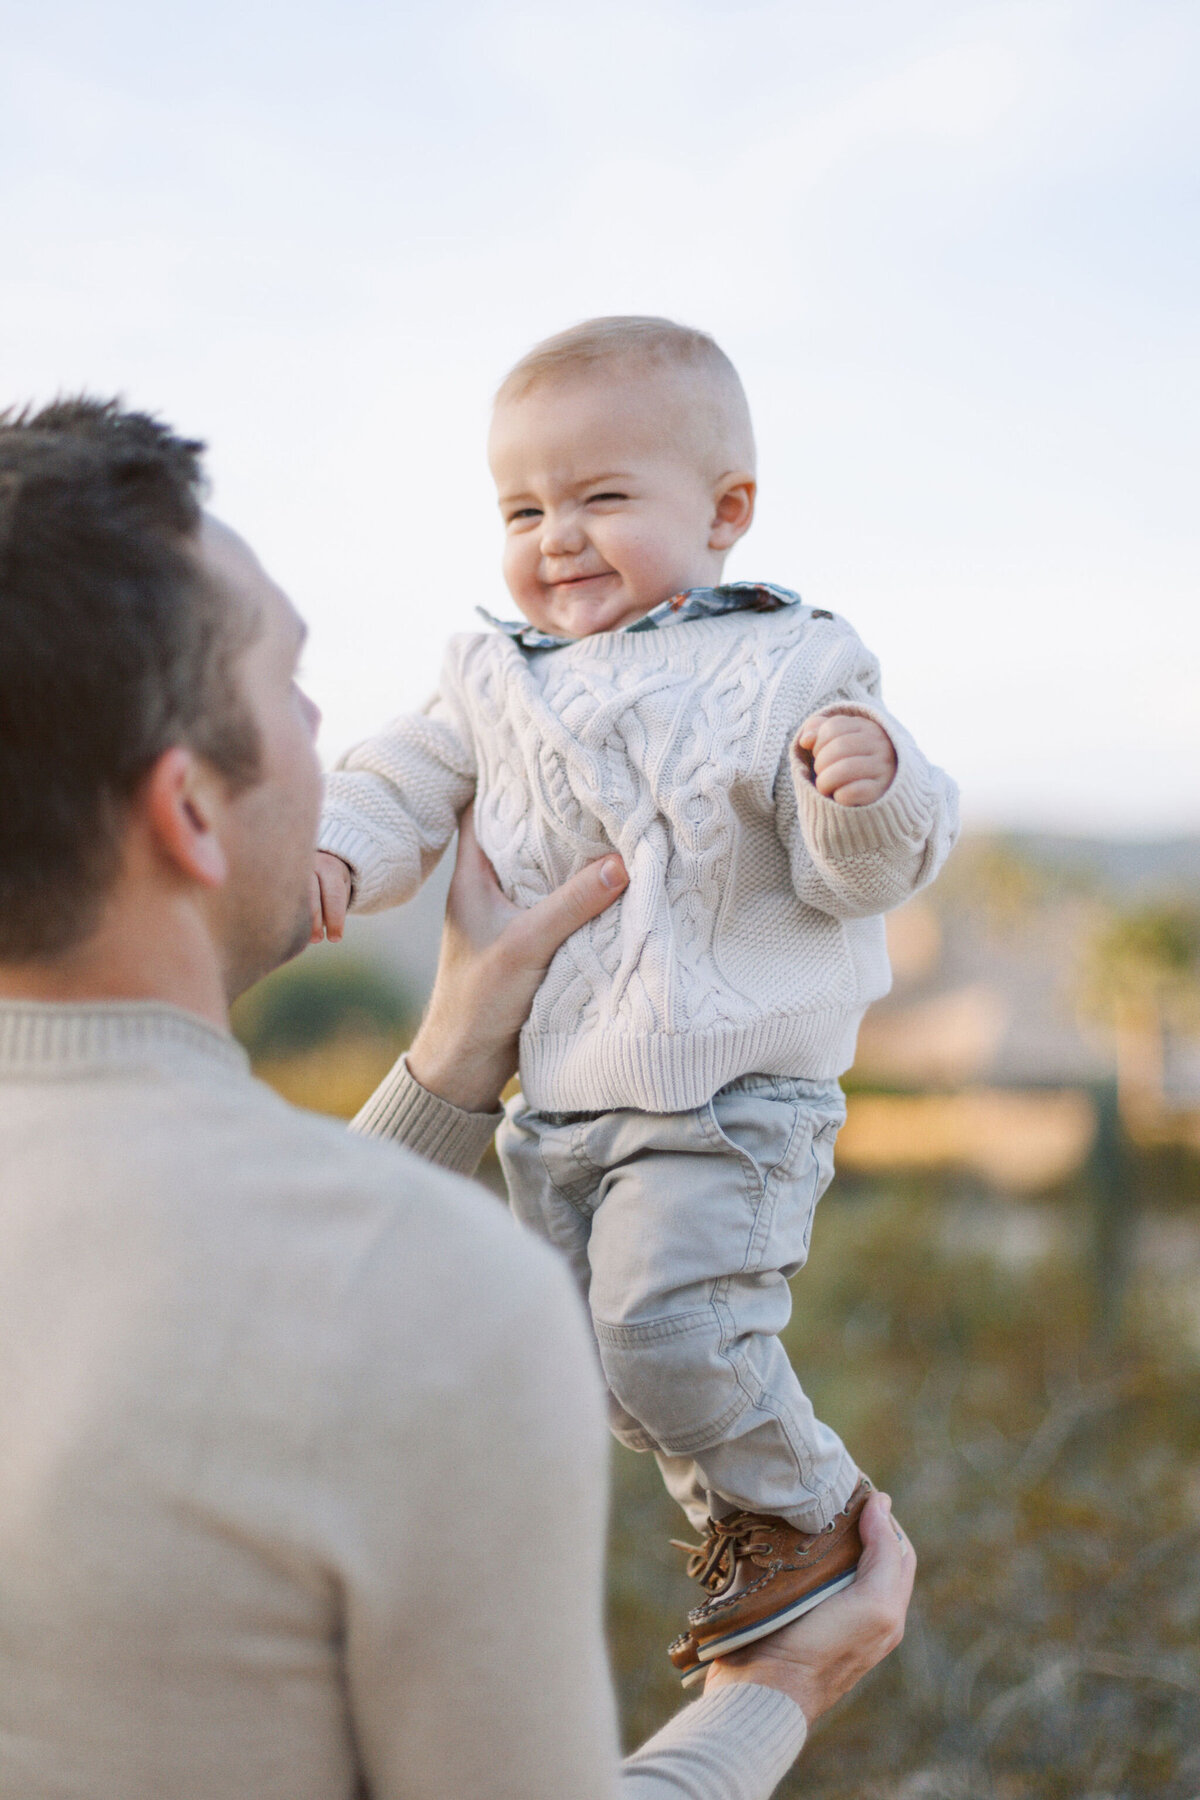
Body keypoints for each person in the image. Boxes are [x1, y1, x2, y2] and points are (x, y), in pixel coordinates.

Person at [0, 397, 914, 1800]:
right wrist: (774, 1697)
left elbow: (233, 1284)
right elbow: (310, 1287)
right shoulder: (435, 1301)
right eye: (293, 689)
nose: (332, 736)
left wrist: (451, 1057)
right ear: (188, 812)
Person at [311, 316, 958, 1675]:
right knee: (594, 1361)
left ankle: (816, 1512)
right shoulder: (491, 676)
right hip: (557, 1105)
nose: (557, 535)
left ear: (725, 512)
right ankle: (755, 1529)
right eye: (524, 506)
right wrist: (338, 850)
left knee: (668, 1329)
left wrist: (869, 781)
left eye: (602, 498)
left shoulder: (787, 660)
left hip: (727, 1090)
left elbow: (861, 872)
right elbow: (396, 779)